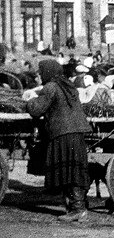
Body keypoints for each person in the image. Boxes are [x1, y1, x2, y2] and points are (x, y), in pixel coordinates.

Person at [25, 59, 92, 222]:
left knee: (67, 170)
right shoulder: (67, 85)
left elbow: (36, 109)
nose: (38, 77)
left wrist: (29, 102)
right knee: (74, 168)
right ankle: (78, 206)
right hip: (76, 133)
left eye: (40, 73)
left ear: (47, 73)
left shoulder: (50, 87)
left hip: (63, 133)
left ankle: (78, 209)